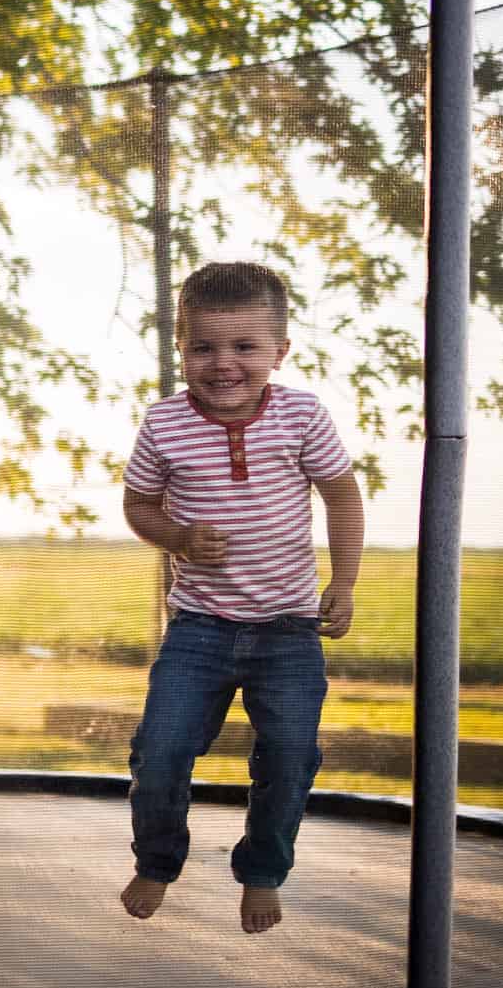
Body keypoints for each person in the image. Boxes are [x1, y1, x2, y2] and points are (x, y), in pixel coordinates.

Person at [117, 261, 364, 934]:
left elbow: (341, 493)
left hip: (288, 631)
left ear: (280, 352)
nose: (222, 363)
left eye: (244, 347)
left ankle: (262, 871)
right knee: (160, 750)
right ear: (181, 348)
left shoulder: (302, 415)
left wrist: (342, 584)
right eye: (203, 347)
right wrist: (176, 537)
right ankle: (158, 860)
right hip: (199, 629)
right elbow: (138, 504)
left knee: (290, 755)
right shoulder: (165, 424)